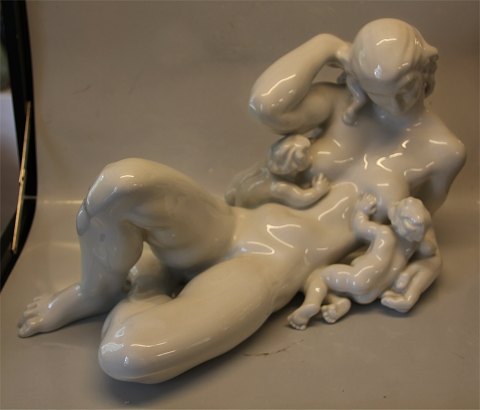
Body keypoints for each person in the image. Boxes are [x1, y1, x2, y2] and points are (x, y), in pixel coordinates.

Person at [18, 19, 465, 384]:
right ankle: (94, 291)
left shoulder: (442, 152)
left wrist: (411, 263)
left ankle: (152, 280)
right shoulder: (339, 107)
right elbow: (266, 105)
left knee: (128, 356)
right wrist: (328, 44)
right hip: (232, 221)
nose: (395, 103)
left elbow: (416, 232)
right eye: (377, 89)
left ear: (427, 68)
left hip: (272, 265)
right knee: (122, 182)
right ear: (355, 78)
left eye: (406, 87)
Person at [288, 194, 435, 330]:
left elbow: (360, 227)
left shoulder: (384, 233)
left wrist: (361, 210)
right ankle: (338, 302)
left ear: (395, 219)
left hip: (358, 279)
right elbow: (430, 250)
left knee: (318, 277)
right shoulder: (412, 246)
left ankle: (311, 304)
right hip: (373, 294)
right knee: (337, 287)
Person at [225, 134, 330, 208]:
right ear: (297, 164)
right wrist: (318, 190)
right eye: (307, 152)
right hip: (247, 208)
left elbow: (240, 177)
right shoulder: (279, 187)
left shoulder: (264, 167)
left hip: (237, 195)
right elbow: (302, 199)